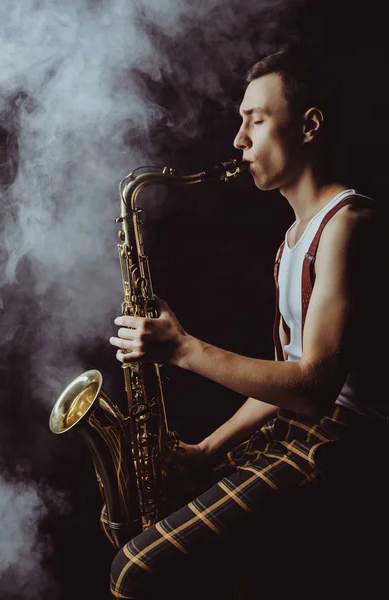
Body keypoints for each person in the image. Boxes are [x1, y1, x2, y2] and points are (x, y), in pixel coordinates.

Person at [108, 46, 388, 599]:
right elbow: (284, 375)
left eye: (254, 121)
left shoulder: (350, 223)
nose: (239, 141)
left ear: (308, 126)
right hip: (303, 431)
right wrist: (207, 450)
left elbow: (313, 389)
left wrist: (184, 349)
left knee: (132, 572)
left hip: (347, 443)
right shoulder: (291, 241)